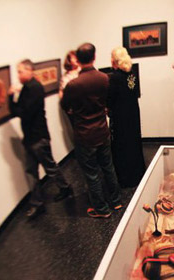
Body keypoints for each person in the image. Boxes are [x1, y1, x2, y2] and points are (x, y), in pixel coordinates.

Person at [61, 43, 122, 218]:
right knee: (108, 167)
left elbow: (65, 105)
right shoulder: (105, 78)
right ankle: (116, 201)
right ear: (94, 57)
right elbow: (108, 101)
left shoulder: (73, 84)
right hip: (102, 130)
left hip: (84, 134)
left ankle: (101, 209)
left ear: (78, 61)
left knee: (92, 173)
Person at [8, 59, 72, 219]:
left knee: (49, 167)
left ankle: (65, 187)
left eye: (20, 71)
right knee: (31, 171)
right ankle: (37, 203)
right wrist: (14, 102)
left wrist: (11, 98)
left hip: (38, 137)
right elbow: (18, 111)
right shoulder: (26, 89)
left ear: (30, 71)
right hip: (30, 137)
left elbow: (23, 112)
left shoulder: (35, 88)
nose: (18, 75)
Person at [107, 47, 146, 187]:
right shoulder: (131, 74)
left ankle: (125, 177)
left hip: (120, 115)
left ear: (115, 60)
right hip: (133, 112)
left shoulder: (114, 77)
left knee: (122, 145)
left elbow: (110, 99)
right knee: (134, 141)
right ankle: (138, 173)